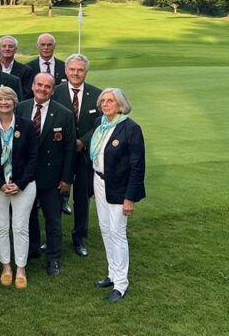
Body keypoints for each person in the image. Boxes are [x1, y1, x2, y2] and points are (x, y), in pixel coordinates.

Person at [88, 88, 145, 303]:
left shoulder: (131, 128)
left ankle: (121, 284)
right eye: (103, 100)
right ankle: (112, 274)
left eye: (110, 101)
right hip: (100, 182)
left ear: (120, 104)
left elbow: (137, 167)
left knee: (117, 232)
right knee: (105, 229)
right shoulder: (100, 124)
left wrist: (130, 198)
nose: (105, 104)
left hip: (120, 187)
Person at [18, 72, 75, 276]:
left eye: (47, 86)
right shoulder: (21, 108)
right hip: (26, 176)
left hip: (52, 178)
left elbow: (69, 149)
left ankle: (53, 258)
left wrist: (66, 179)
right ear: (32, 86)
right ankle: (32, 249)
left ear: (53, 90)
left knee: (53, 220)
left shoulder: (64, 114)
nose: (42, 89)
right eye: (39, 84)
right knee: (28, 216)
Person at [0, 86, 38, 289]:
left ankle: (21, 268)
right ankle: (6, 267)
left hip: (24, 185)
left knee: (20, 227)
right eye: (0, 99)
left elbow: (33, 158)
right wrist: (0, 184)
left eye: (8, 99)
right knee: (0, 226)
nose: (4, 103)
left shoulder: (27, 125)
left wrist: (20, 184)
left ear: (14, 102)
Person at [52, 53, 101, 257]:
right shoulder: (55, 91)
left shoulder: (96, 94)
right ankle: (53, 239)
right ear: (66, 70)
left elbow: (100, 124)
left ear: (86, 72)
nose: (76, 73)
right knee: (54, 199)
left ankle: (79, 239)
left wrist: (83, 141)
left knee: (82, 199)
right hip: (59, 156)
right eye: (72, 69)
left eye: (80, 70)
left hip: (83, 156)